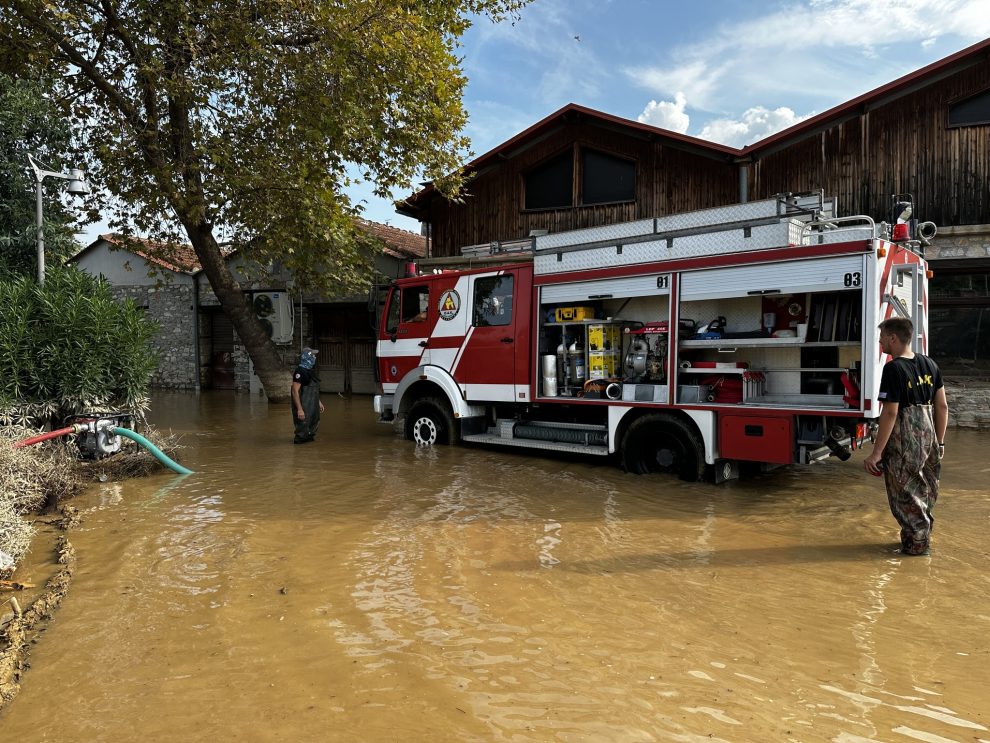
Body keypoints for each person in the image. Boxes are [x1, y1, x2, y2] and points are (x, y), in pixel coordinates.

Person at [864, 317, 949, 555]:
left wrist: (876, 453)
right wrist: (939, 443)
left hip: (905, 440)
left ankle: (916, 550)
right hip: (929, 438)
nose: (880, 344)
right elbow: (942, 407)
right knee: (924, 490)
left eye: (882, 339)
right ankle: (918, 543)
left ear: (893, 338)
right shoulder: (930, 364)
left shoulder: (894, 368)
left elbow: (890, 412)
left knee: (904, 493)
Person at [290, 346, 324, 444]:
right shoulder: (299, 371)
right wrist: (300, 409)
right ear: (307, 357)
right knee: (302, 426)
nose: (314, 358)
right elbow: (294, 391)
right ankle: (300, 455)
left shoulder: (310, 371)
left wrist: (319, 402)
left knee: (313, 424)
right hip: (304, 405)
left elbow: (313, 390)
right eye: (313, 355)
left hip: (312, 406)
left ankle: (309, 454)